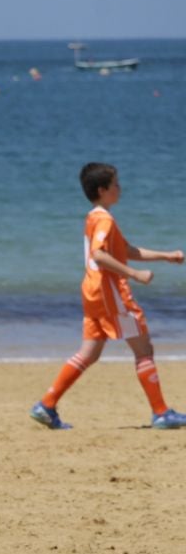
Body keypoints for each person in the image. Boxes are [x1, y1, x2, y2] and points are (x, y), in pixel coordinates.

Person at [30, 162, 186, 431]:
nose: (120, 188)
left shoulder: (94, 217)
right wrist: (134, 275)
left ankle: (47, 405)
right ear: (103, 190)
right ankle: (161, 413)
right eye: (116, 184)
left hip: (92, 292)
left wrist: (166, 256)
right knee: (143, 349)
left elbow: (124, 250)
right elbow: (100, 255)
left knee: (89, 352)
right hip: (109, 293)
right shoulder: (104, 219)